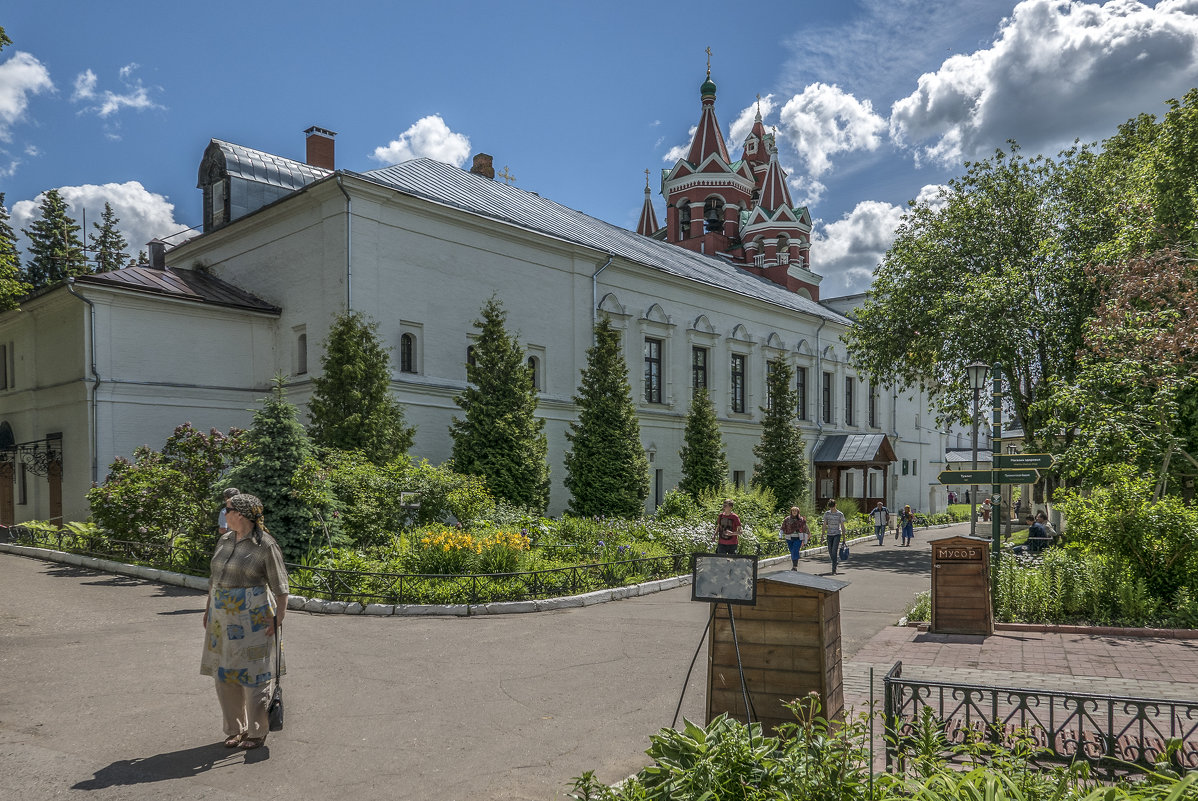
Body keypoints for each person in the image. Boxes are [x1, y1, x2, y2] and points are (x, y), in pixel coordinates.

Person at [201, 493, 289, 750]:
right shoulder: (224, 540)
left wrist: (277, 620)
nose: (223, 513)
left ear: (240, 514)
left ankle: (257, 731)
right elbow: (213, 581)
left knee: (255, 676)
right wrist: (208, 610)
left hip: (254, 618)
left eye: (226, 509)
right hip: (222, 618)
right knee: (224, 674)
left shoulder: (265, 546)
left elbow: (282, 589)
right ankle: (234, 729)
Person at [821, 500, 846, 575]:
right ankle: (835, 561)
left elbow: (842, 526)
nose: (832, 509)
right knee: (830, 551)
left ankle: (833, 570)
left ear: (835, 505)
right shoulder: (827, 514)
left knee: (834, 551)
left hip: (837, 534)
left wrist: (844, 537)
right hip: (829, 534)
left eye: (833, 507)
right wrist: (822, 535)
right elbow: (824, 525)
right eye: (830, 507)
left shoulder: (840, 514)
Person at [781, 506, 808, 571]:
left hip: (798, 538)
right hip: (789, 538)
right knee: (792, 551)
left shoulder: (801, 520)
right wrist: (780, 536)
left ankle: (794, 566)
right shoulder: (787, 519)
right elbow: (783, 527)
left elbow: (805, 529)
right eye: (793, 511)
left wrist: (805, 540)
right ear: (791, 512)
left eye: (795, 511)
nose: (794, 512)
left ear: (798, 512)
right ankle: (795, 563)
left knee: (795, 550)